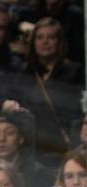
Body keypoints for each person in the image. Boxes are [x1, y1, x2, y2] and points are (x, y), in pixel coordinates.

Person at [20, 17, 84, 156]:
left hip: (66, 140)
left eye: (51, 37)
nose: (45, 42)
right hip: (34, 142)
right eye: (40, 37)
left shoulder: (75, 72)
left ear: (60, 42)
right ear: (33, 42)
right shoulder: (25, 73)